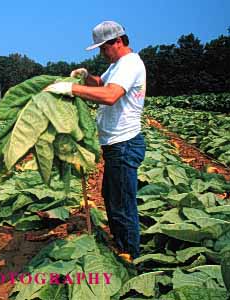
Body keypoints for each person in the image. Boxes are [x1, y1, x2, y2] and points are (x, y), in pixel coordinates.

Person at [44, 20, 146, 261]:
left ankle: (130, 256)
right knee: (112, 197)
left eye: (103, 47)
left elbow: (110, 95)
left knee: (122, 204)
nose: (101, 52)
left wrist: (72, 89)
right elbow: (103, 84)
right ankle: (122, 244)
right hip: (115, 145)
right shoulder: (118, 64)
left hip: (124, 144)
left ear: (118, 41)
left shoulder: (130, 64)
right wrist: (87, 77)